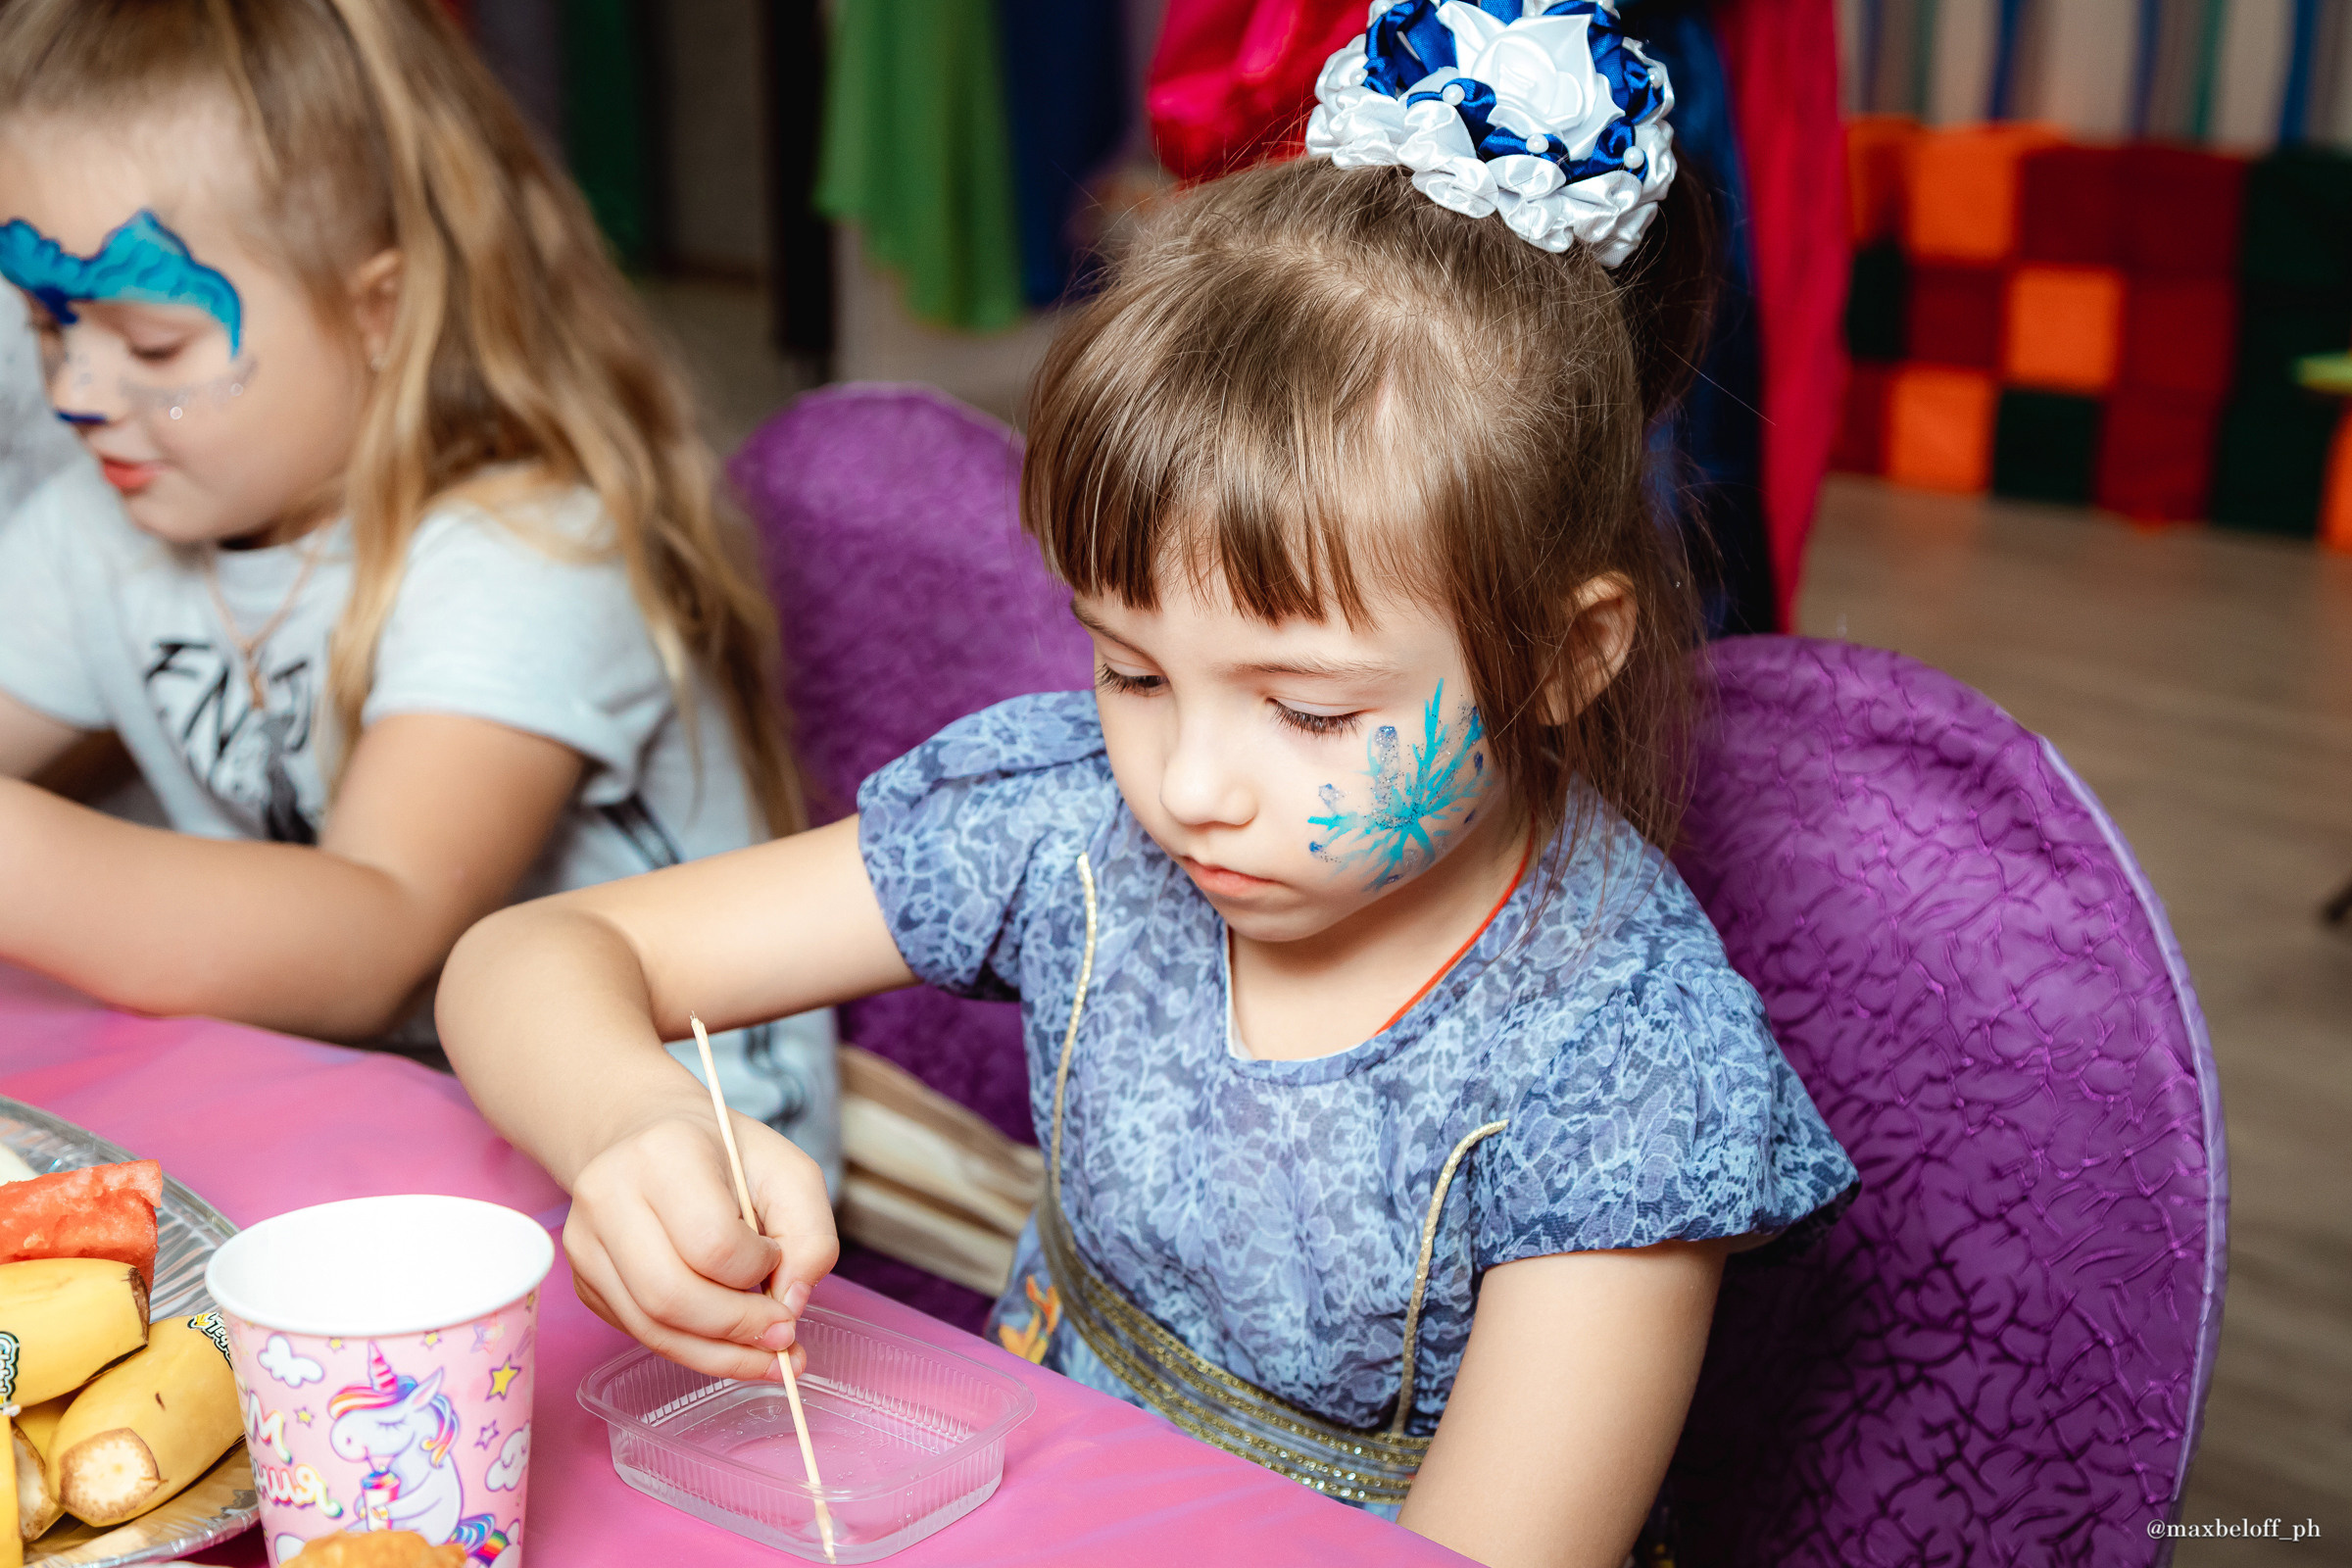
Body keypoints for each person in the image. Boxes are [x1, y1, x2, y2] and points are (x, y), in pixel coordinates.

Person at [439, 7, 1856, 1565]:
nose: (1187, 786)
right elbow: (532, 959)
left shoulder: (1619, 1066)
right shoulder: (1069, 826)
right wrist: (633, 1124)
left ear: (1565, 656)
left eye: (1310, 711)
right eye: (1130, 670)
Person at [0, 0, 837, 1188]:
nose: (77, 392)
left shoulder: (532, 545)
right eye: (46, 321)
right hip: (344, 1114)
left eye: (151, 344)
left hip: (659, 1182)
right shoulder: (105, 521)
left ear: (376, 308)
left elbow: (378, 936)